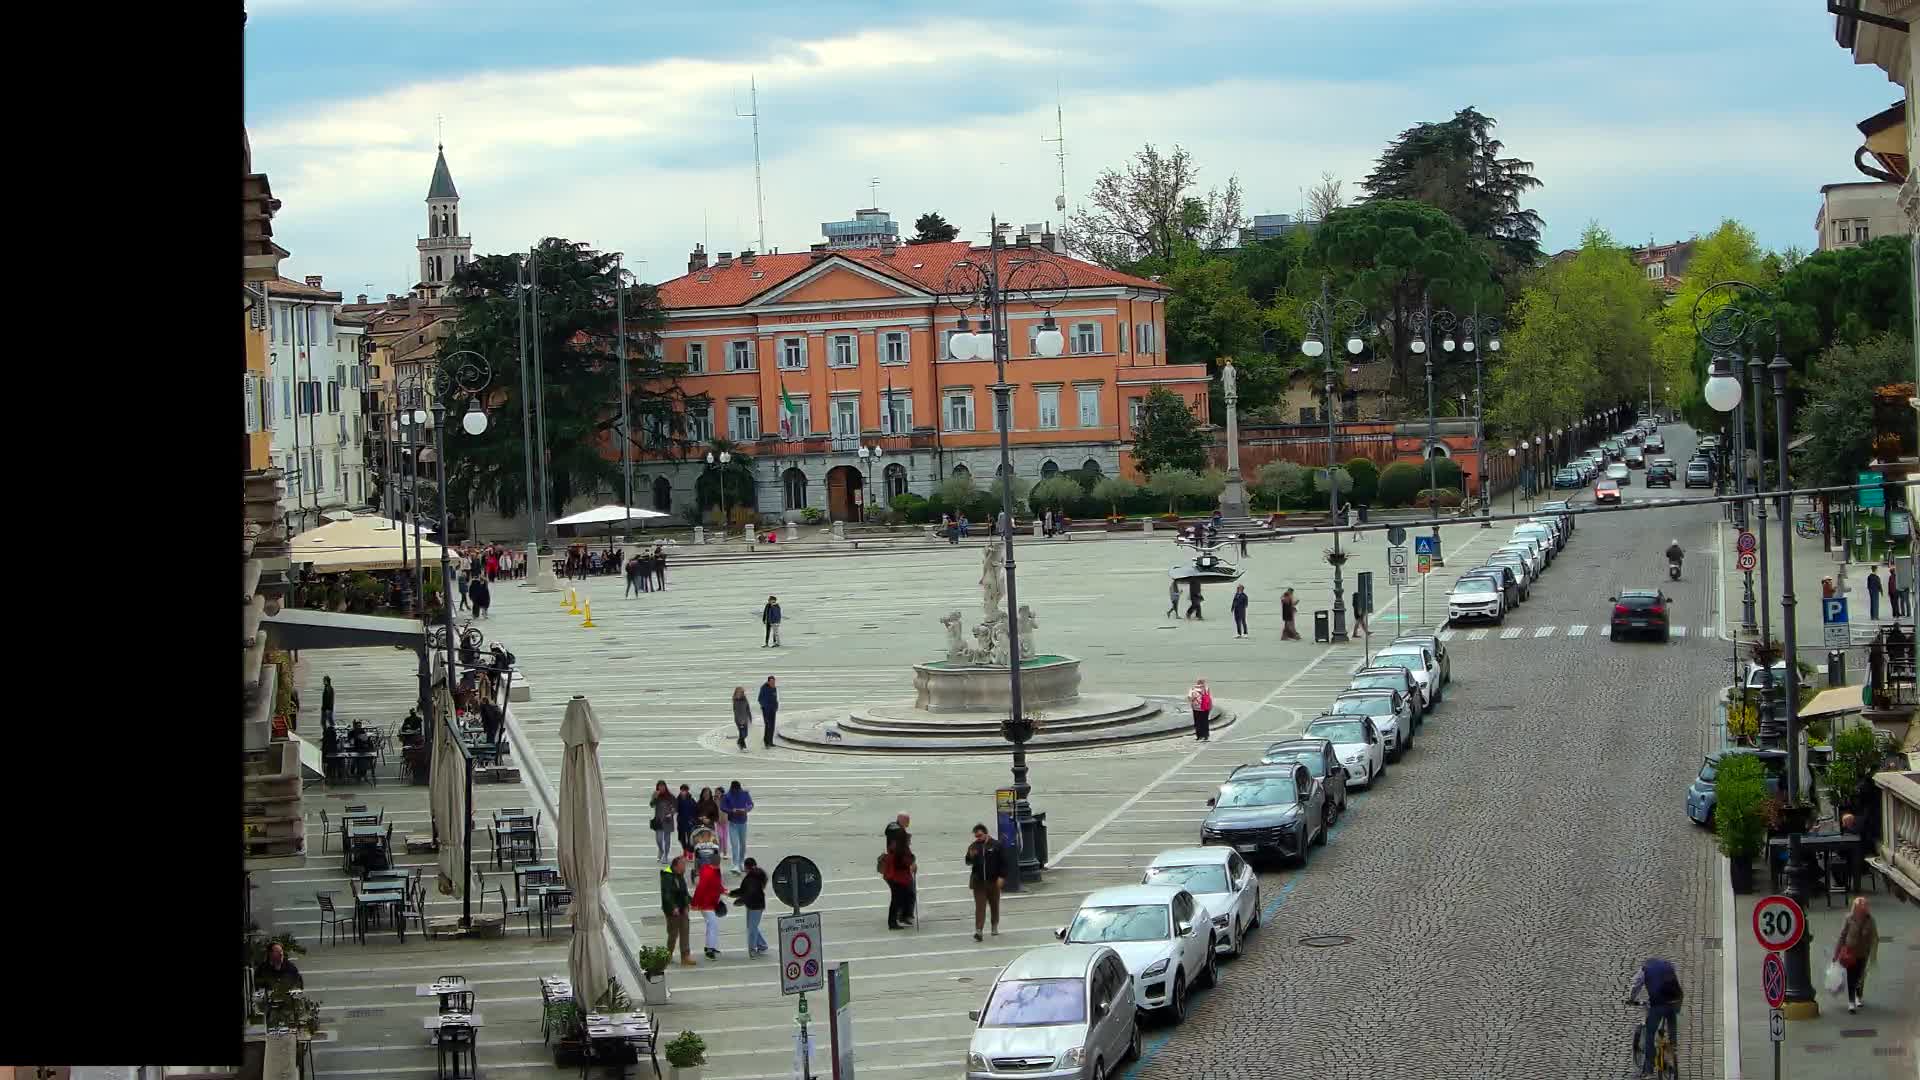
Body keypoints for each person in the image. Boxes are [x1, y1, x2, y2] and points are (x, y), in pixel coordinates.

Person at [1627, 956, 1682, 1077]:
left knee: (1650, 1034)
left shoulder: (1644, 969)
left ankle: (1648, 1069)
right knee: (1671, 1022)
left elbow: (1636, 985)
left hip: (1658, 1004)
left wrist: (1631, 1000)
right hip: (1675, 1000)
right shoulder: (1668, 965)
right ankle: (1673, 1047)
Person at [1835, 896, 1878, 1012]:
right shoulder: (1849, 919)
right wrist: (1837, 952)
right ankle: (1851, 1001)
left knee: (1860, 976)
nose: (1862, 910)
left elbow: (1874, 937)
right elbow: (1842, 935)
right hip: (1850, 952)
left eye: (1864, 908)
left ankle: (1859, 996)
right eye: (1860, 908)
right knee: (1851, 976)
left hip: (1863, 952)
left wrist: (1873, 954)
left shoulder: (1870, 920)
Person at [964, 823, 1003, 942]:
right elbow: (968, 862)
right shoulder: (973, 846)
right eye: (976, 836)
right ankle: (978, 931)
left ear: (986, 833)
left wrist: (1002, 877)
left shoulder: (996, 845)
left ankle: (994, 924)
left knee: (994, 904)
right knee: (980, 907)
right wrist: (970, 857)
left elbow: (1004, 862)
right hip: (979, 882)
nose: (978, 838)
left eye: (980, 835)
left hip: (993, 881)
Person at [729, 857, 770, 957]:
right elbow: (746, 891)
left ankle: (752, 949)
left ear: (746, 867)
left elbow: (747, 892)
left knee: (752, 928)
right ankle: (762, 945)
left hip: (754, 906)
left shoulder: (750, 879)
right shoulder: (758, 875)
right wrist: (732, 893)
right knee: (752, 927)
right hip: (757, 904)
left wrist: (736, 897)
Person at [660, 853, 696, 966]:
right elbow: (666, 894)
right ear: (676, 866)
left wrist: (690, 902)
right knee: (673, 934)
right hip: (672, 910)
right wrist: (673, 907)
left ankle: (685, 956)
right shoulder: (667, 876)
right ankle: (668, 954)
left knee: (685, 931)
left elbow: (684, 892)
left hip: (682, 908)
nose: (685, 867)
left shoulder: (680, 875)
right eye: (683, 865)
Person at [881, 831, 917, 930]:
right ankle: (893, 922)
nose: (910, 842)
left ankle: (901, 917)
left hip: (895, 877)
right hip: (896, 878)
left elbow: (909, 858)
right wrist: (911, 863)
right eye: (909, 840)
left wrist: (912, 861)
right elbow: (902, 862)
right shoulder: (900, 850)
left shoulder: (899, 848)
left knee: (902, 898)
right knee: (896, 900)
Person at [691, 857, 725, 960]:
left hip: (709, 903)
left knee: (711, 925)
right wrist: (695, 903)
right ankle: (710, 949)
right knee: (712, 925)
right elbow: (701, 888)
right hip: (707, 904)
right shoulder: (710, 873)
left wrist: (723, 890)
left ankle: (710, 946)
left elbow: (716, 884)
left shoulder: (710, 870)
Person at [722, 780, 754, 872]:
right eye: (734, 790)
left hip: (743, 823)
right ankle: (735, 864)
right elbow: (723, 807)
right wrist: (732, 811)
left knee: (743, 844)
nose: (736, 791)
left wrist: (746, 809)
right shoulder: (727, 796)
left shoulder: (744, 794)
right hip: (733, 823)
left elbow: (751, 804)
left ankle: (741, 862)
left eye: (737, 789)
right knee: (735, 844)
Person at [650, 781, 678, 863]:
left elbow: (675, 807)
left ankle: (666, 855)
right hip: (658, 820)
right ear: (657, 788)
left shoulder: (670, 796)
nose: (661, 788)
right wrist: (654, 797)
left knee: (667, 840)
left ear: (665, 787)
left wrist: (671, 813)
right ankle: (661, 850)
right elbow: (652, 805)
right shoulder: (656, 796)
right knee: (658, 839)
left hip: (668, 821)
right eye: (660, 787)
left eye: (663, 786)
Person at [675, 784, 698, 853]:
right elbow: (675, 809)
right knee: (681, 838)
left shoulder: (691, 800)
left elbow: (695, 809)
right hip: (681, 821)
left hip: (689, 822)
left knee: (690, 837)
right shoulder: (677, 800)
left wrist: (693, 819)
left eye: (685, 790)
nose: (683, 792)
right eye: (682, 790)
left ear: (687, 791)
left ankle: (690, 852)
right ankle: (685, 850)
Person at [758, 676, 779, 747]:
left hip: (772, 710)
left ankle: (770, 741)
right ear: (768, 681)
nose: (773, 683)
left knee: (772, 726)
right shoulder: (764, 688)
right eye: (771, 682)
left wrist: (776, 706)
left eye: (774, 682)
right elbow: (760, 699)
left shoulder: (774, 688)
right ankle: (766, 742)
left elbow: (775, 698)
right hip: (766, 710)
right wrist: (765, 707)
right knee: (768, 726)